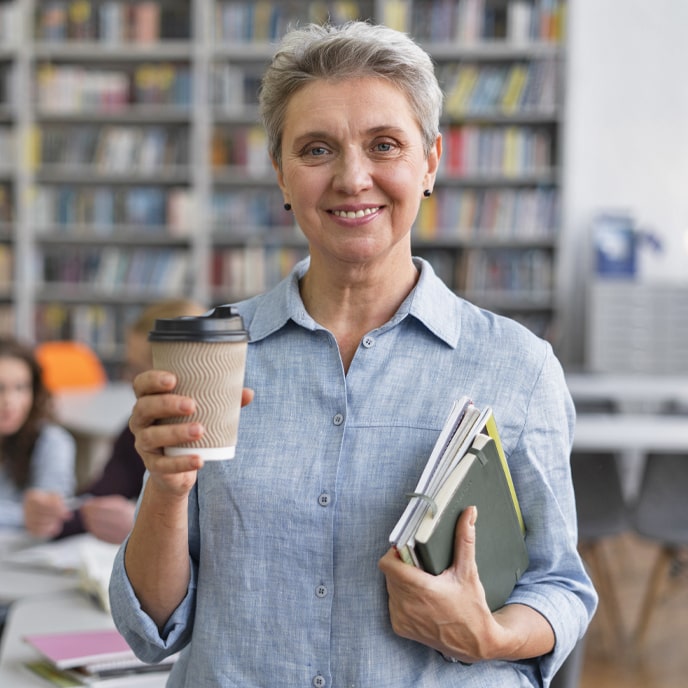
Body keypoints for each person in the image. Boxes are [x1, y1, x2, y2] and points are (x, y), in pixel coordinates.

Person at [110, 21, 597, 687]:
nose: (353, 177)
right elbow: (151, 628)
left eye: (384, 145)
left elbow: (560, 587)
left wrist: (489, 634)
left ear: (430, 163)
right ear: (280, 173)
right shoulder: (213, 350)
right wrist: (166, 492)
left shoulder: (517, 365)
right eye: (316, 149)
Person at [23, 299, 206, 545]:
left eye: (139, 370)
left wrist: (145, 526)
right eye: (129, 368)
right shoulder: (138, 432)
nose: (131, 382)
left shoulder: (230, 444)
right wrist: (51, 514)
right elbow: (98, 499)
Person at [0, 337, 75, 535]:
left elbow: (50, 513)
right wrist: (22, 514)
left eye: (21, 387)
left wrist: (34, 514)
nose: (9, 401)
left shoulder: (53, 441)